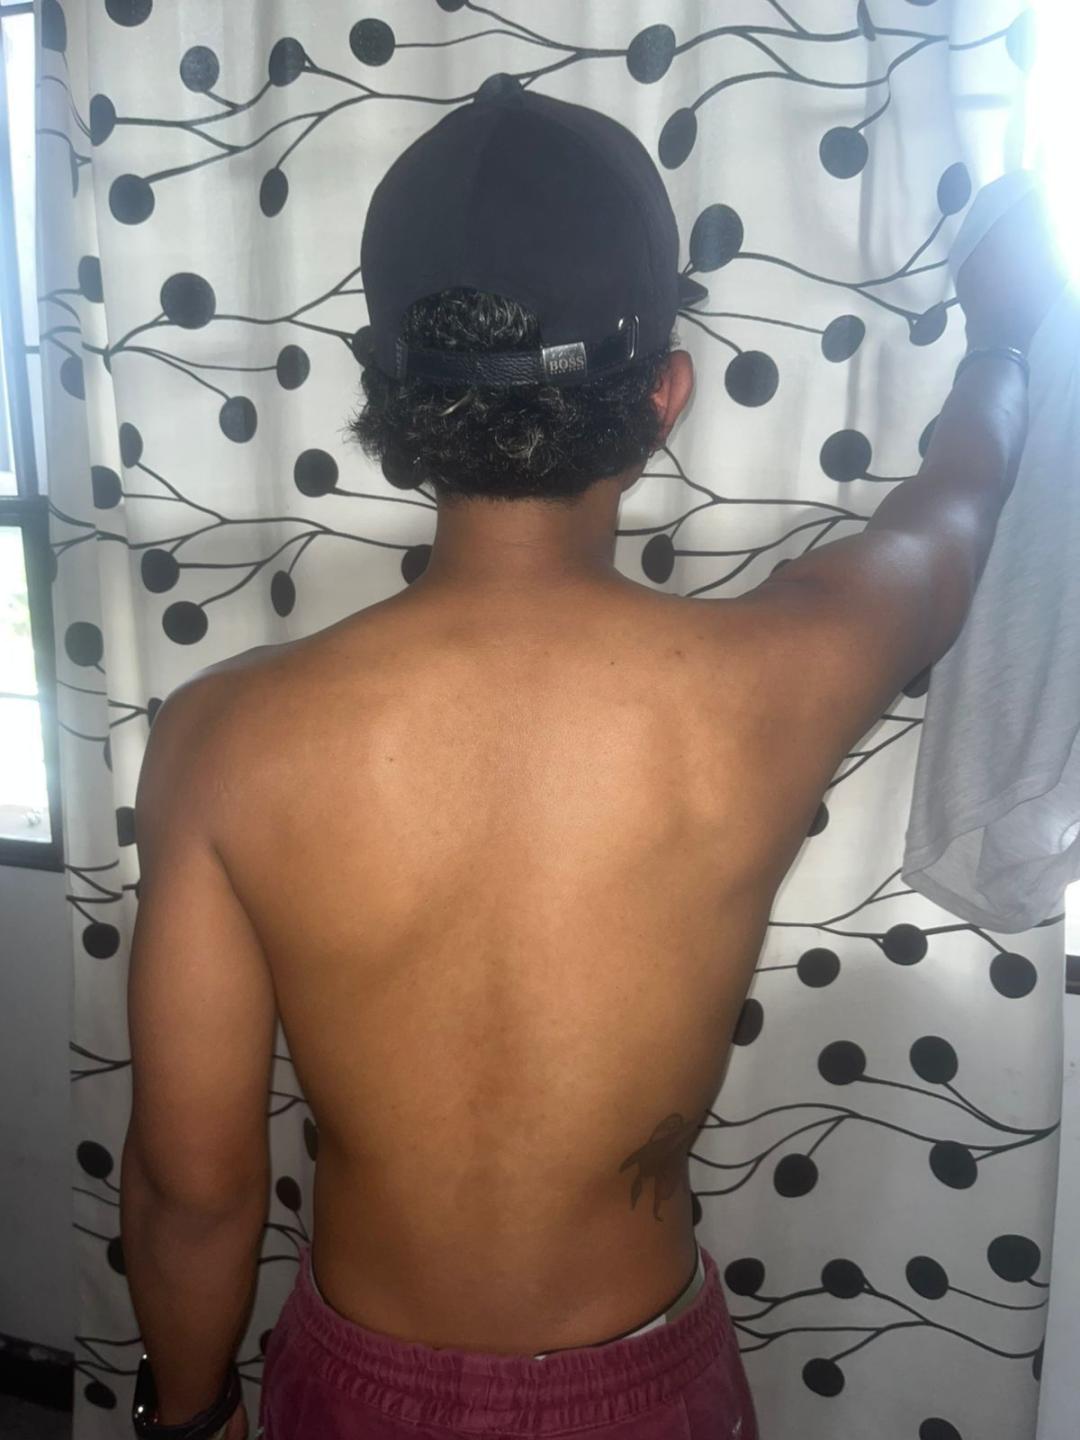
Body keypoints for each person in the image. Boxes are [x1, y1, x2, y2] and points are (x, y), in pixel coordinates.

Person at [119, 78, 1067, 1440]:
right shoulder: (773, 682)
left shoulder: (223, 740)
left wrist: (184, 1417)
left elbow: (190, 1192)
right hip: (643, 1389)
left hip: (356, 1386)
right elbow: (953, 518)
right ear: (666, 394)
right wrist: (1006, 339)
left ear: (389, 393)